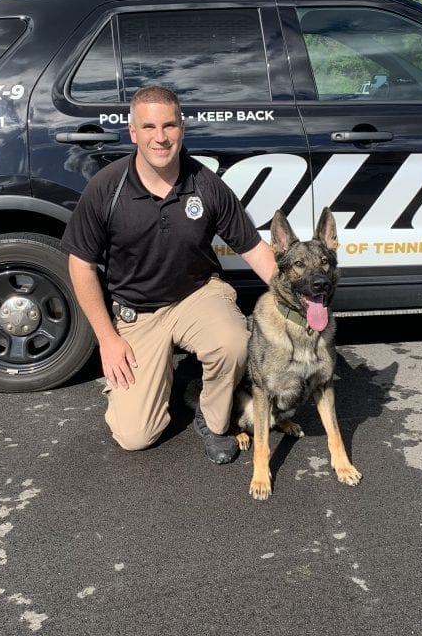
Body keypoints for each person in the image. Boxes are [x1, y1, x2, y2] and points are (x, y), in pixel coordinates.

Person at [62, 85, 277, 463]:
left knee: (234, 342)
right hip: (136, 311)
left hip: (197, 294)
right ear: (133, 133)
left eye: (169, 126)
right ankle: (153, 382)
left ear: (182, 129)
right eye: (148, 127)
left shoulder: (206, 184)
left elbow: (255, 250)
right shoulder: (106, 188)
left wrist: (301, 302)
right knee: (136, 436)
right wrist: (108, 339)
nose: (160, 137)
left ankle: (213, 419)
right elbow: (80, 264)